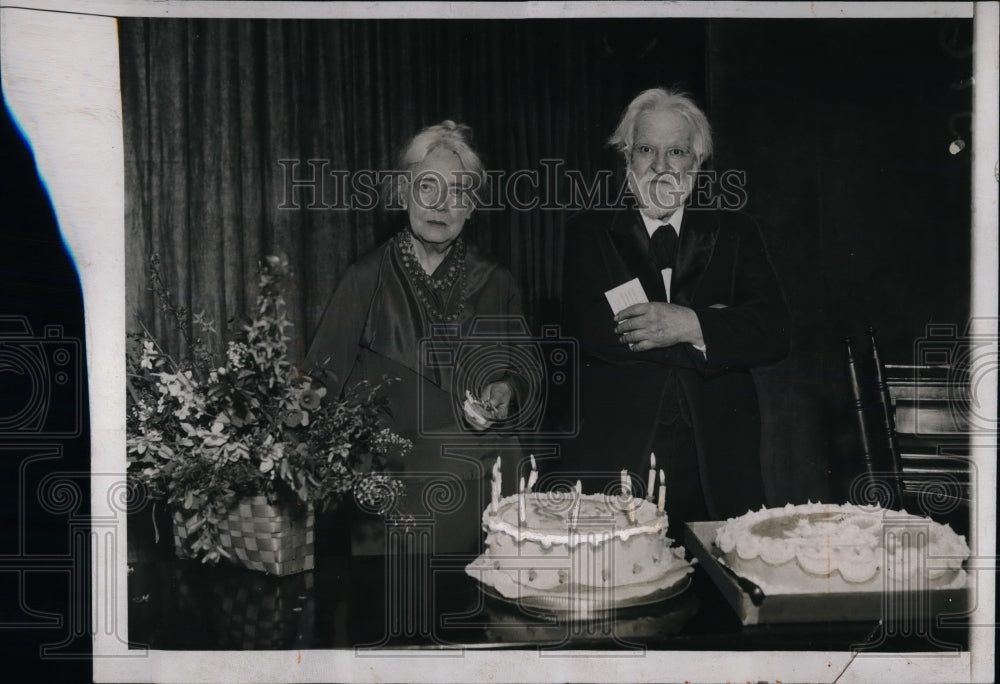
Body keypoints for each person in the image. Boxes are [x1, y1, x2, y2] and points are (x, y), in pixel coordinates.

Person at [560, 88, 790, 535]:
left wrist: (691, 324)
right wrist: (719, 328)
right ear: (628, 159)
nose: (662, 166)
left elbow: (775, 332)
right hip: (617, 459)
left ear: (697, 164)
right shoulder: (587, 232)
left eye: (677, 151)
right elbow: (588, 332)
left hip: (717, 463)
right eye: (647, 149)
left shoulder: (737, 231)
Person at [304, 121, 524, 554]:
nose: (440, 205)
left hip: (491, 483)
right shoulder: (365, 278)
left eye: (457, 192)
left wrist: (507, 390)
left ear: (473, 206)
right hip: (400, 492)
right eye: (427, 188)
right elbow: (318, 387)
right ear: (404, 193)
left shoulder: (498, 282)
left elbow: (524, 372)